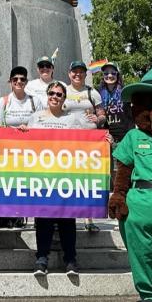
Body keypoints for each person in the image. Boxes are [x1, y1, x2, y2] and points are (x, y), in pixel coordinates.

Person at [26, 81, 94, 276]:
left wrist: (104, 140)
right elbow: (28, 144)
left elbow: (86, 142)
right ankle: (41, 259)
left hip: (66, 176)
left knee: (67, 218)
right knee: (43, 218)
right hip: (42, 175)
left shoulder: (72, 120)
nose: (54, 97)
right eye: (51, 93)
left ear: (64, 99)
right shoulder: (35, 118)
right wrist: (22, 134)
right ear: (47, 96)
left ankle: (71, 260)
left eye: (59, 94)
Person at [0, 66, 43, 228]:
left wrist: (30, 130)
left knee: (24, 185)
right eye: (15, 79)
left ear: (26, 82)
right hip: (8, 151)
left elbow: (43, 125)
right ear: (10, 82)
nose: (18, 82)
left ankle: (21, 215)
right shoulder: (3, 102)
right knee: (8, 184)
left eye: (22, 79)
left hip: (29, 151)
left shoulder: (35, 101)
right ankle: (4, 215)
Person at [63, 61, 107, 232]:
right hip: (67, 141)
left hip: (88, 142)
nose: (77, 75)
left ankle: (89, 219)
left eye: (81, 72)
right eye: (74, 71)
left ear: (85, 74)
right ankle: (66, 216)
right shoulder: (63, 90)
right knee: (68, 179)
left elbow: (101, 113)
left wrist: (99, 119)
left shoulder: (92, 92)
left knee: (86, 180)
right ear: (69, 73)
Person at [97, 62, 133, 145]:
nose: (109, 76)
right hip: (107, 136)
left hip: (125, 136)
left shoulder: (125, 91)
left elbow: (131, 114)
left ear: (117, 75)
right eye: (106, 73)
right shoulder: (98, 93)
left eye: (113, 73)